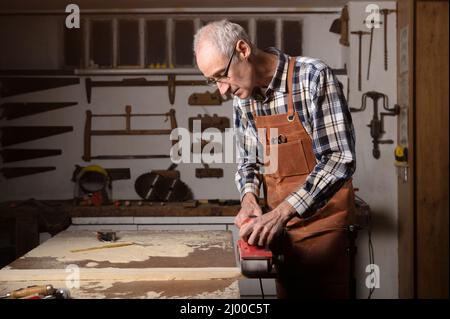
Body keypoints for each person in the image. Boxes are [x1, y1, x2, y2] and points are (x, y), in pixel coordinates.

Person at [193, 20, 357, 299]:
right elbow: (249, 160)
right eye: (213, 81)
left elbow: (338, 159)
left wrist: (281, 213)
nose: (221, 89)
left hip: (323, 229)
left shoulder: (312, 77)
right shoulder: (243, 98)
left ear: (242, 49)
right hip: (279, 233)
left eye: (222, 75)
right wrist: (249, 200)